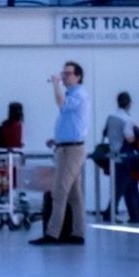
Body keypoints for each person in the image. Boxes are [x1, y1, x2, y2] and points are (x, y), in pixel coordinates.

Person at [30, 61, 90, 246]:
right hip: (65, 147)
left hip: (72, 151)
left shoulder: (78, 94)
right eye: (63, 73)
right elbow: (72, 124)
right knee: (74, 195)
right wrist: (57, 140)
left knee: (59, 191)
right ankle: (78, 233)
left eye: (68, 74)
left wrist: (56, 85)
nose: (64, 76)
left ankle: (53, 234)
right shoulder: (74, 94)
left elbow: (61, 104)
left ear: (78, 76)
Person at [101, 92, 139, 225]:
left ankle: (135, 214)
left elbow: (105, 133)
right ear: (129, 104)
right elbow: (129, 138)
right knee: (121, 187)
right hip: (124, 157)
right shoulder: (127, 119)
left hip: (113, 155)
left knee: (126, 185)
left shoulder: (110, 117)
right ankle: (109, 213)